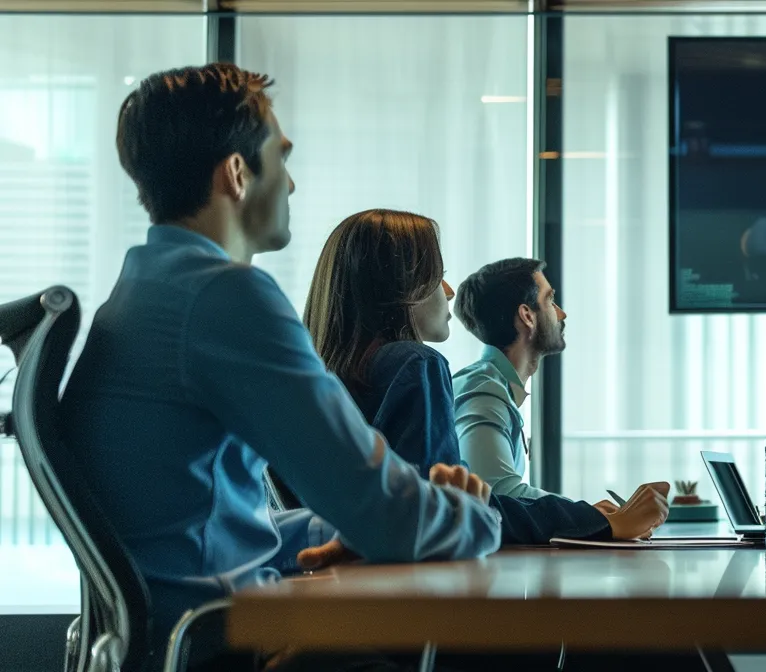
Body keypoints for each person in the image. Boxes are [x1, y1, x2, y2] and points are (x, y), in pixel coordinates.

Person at [58, 63, 500, 659]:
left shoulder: (141, 290)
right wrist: (474, 516)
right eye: (281, 157)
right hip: (225, 644)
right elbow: (380, 507)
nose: (289, 184)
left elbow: (197, 528)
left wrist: (329, 530)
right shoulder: (225, 296)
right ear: (238, 173)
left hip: (171, 637)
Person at [302, 208, 670, 544]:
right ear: (400, 287)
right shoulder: (417, 364)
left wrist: (584, 516)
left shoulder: (327, 374)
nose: (447, 291)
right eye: (436, 277)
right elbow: (453, 507)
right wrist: (600, 524)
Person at [452, 257, 567, 499]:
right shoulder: (483, 392)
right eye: (550, 300)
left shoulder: (496, 386)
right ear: (527, 315)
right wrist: (591, 515)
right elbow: (499, 493)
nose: (561, 314)